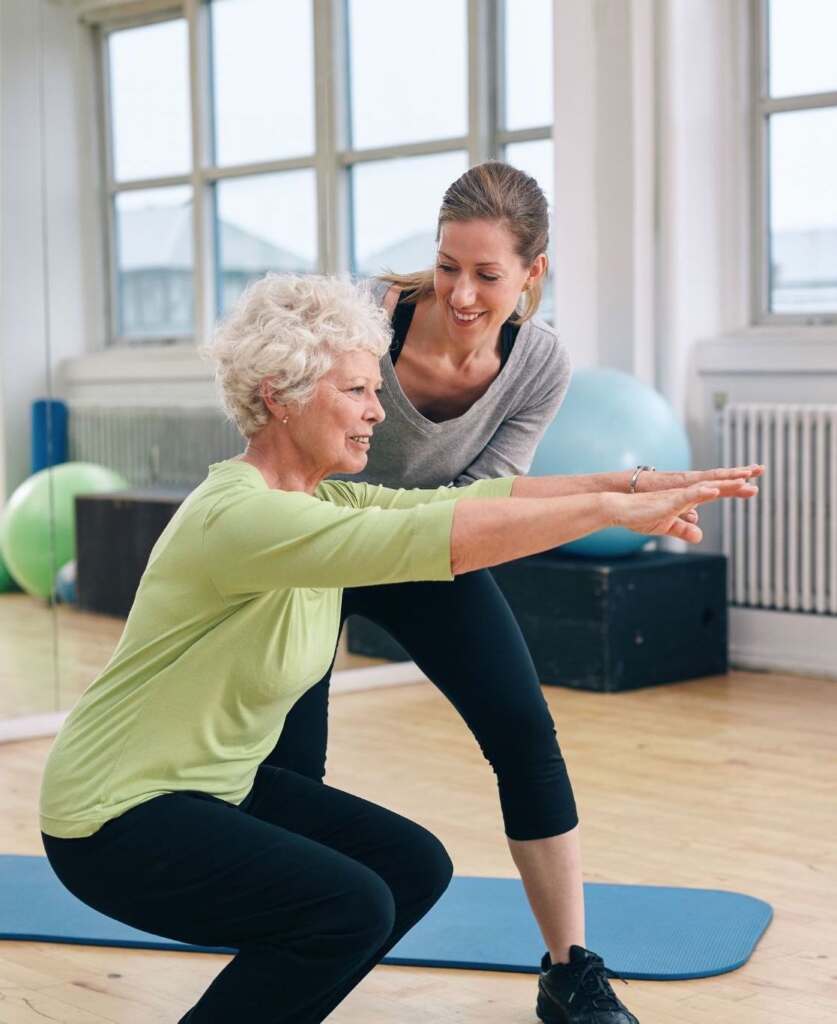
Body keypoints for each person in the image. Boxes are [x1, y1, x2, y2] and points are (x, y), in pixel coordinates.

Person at [38, 273, 758, 1024]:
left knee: (409, 868)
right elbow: (436, 538)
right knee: (345, 907)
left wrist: (634, 482)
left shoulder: (320, 497)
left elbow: (467, 502)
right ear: (279, 394)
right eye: (355, 391)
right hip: (113, 815)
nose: (379, 412)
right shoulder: (240, 518)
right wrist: (610, 512)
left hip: (211, 786)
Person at [265, 163, 766, 1024]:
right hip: (318, 545)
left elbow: (485, 501)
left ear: (532, 272)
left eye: (487, 274)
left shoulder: (535, 363)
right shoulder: (365, 321)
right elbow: (278, 441)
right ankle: (286, 945)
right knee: (290, 769)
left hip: (429, 550)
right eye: (448, 265)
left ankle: (570, 972)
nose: (461, 293)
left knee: (525, 735)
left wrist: (616, 497)